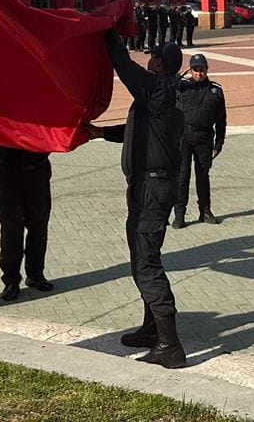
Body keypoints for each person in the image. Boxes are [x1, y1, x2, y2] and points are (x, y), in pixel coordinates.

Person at [87, 33, 187, 368]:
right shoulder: (162, 94)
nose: (149, 60)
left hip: (152, 189)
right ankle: (151, 328)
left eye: (153, 56)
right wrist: (103, 133)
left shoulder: (157, 89)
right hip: (147, 187)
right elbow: (139, 129)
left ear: (159, 63)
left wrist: (109, 33)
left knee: (146, 263)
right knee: (141, 258)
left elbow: (124, 67)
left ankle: (169, 345)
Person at [173, 52, 226, 227]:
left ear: (206, 69)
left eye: (201, 69)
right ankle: (179, 214)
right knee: (182, 176)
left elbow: (221, 120)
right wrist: (181, 73)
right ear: (191, 70)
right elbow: (167, 84)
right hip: (184, 138)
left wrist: (219, 144)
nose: (198, 73)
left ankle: (205, 210)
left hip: (204, 138)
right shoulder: (182, 86)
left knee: (203, 176)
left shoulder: (215, 90)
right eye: (195, 69)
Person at [0, 145, 54, 301]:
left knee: (38, 227)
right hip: (10, 171)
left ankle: (35, 274)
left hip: (39, 169)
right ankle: (11, 280)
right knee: (11, 231)